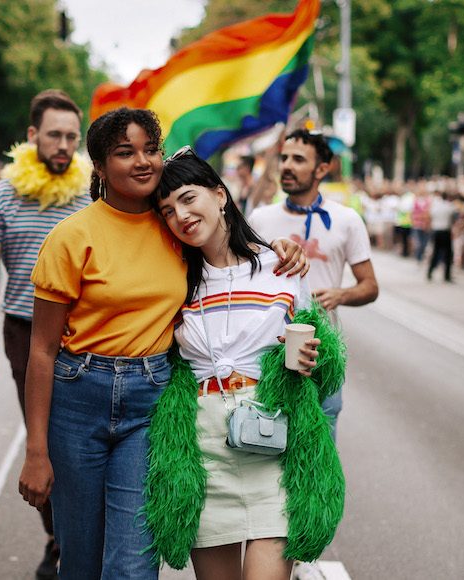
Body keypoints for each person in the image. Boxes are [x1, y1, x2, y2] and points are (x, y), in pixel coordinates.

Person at [17, 108, 308, 580]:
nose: (143, 161)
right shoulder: (70, 238)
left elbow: (227, 249)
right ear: (99, 166)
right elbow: (42, 350)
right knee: (81, 563)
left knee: (133, 566)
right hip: (77, 397)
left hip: (148, 402)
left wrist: (280, 248)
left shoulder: (174, 229)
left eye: (151, 149)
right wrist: (35, 450)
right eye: (125, 152)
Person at [153, 147, 327, 580]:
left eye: (189, 198)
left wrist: (311, 359)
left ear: (220, 194)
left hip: (271, 444)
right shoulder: (171, 277)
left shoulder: (282, 266)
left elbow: (316, 353)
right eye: (168, 210)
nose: (181, 215)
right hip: (205, 451)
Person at [0, 89, 92, 580]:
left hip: (86, 333)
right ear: (32, 136)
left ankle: (80, 537)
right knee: (41, 441)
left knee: (80, 442)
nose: (63, 145)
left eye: (70, 137)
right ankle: (58, 537)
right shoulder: (1, 194)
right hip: (24, 330)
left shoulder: (91, 190)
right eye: (54, 135)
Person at [249, 129, 378, 441]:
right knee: (265, 445)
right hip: (267, 351)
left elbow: (370, 286)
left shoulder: (347, 220)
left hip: (321, 353)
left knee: (320, 450)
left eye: (298, 159)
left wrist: (341, 294)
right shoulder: (259, 218)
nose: (287, 166)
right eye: (284, 158)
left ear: (322, 168)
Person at [426, 190, 457, 282]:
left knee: (435, 252)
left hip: (436, 231)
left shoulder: (435, 206)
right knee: (447, 254)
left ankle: (430, 272)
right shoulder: (450, 206)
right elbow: (453, 218)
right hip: (445, 231)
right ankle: (446, 276)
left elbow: (430, 216)